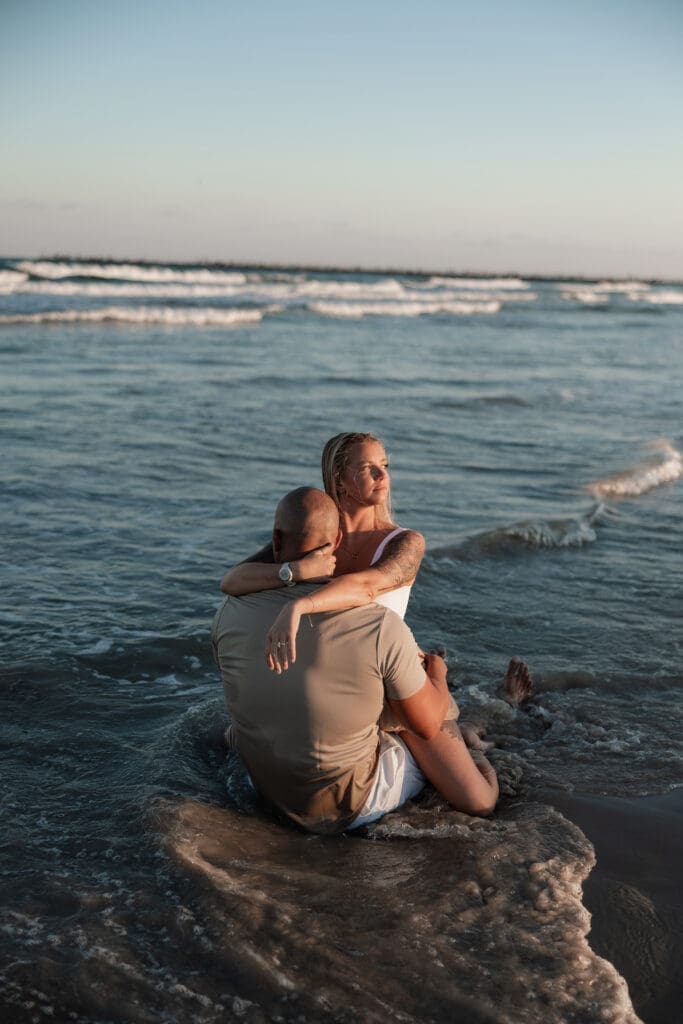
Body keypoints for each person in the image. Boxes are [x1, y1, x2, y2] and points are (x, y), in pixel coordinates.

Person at [212, 486, 499, 835]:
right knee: (416, 711)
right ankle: (478, 759)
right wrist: (438, 672)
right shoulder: (377, 625)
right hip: (349, 805)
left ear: (275, 539)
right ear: (336, 544)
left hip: (266, 790)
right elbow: (425, 725)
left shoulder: (228, 613)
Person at [220, 432, 426, 672]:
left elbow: (366, 588)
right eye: (367, 467)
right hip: (320, 672)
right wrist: (297, 570)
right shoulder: (316, 535)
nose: (382, 475)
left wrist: (298, 606)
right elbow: (231, 581)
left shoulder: (405, 543)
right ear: (339, 479)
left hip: (382, 670)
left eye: (384, 465)